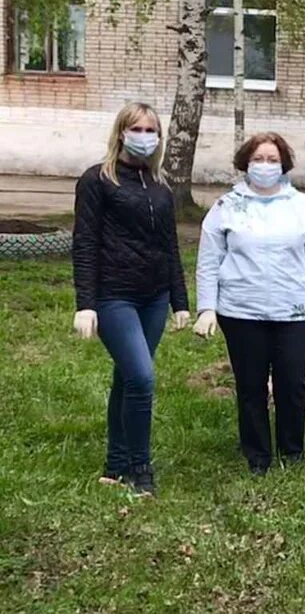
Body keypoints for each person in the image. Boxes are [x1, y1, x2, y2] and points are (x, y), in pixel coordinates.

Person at [193, 132, 305, 474]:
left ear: (284, 164)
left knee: (292, 384)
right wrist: (207, 307)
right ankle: (257, 456)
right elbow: (209, 261)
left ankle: (292, 452)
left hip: (293, 313)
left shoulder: (303, 208)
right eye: (258, 159)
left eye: (272, 160)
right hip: (240, 312)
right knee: (250, 386)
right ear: (245, 163)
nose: (265, 166)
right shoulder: (226, 207)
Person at [72, 102, 190, 496]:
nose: (144, 136)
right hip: (113, 297)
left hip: (153, 298)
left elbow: (170, 247)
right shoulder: (97, 181)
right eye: (136, 128)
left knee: (126, 379)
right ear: (121, 132)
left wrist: (180, 302)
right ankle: (141, 468)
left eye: (151, 130)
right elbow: (85, 244)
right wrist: (86, 303)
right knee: (142, 377)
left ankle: (115, 463)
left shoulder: (159, 189)